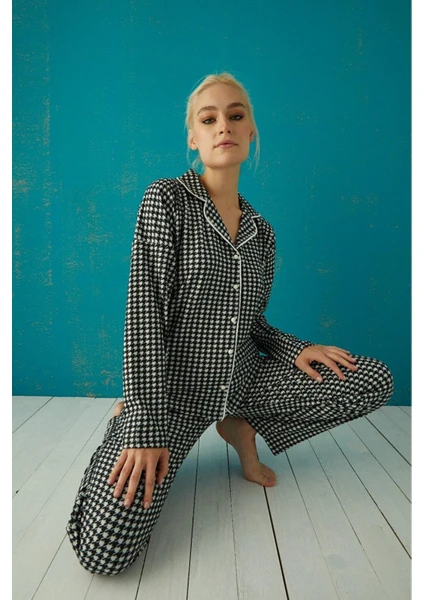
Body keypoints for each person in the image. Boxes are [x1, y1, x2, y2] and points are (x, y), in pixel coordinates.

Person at [65, 72, 394, 576]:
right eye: (209, 118)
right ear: (193, 138)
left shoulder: (263, 232)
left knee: (371, 380)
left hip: (244, 380)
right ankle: (125, 420)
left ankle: (239, 425)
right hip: (172, 397)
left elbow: (252, 322)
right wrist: (145, 421)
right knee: (104, 553)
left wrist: (294, 348)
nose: (224, 125)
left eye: (236, 115)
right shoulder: (167, 200)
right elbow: (145, 313)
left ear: (251, 131)